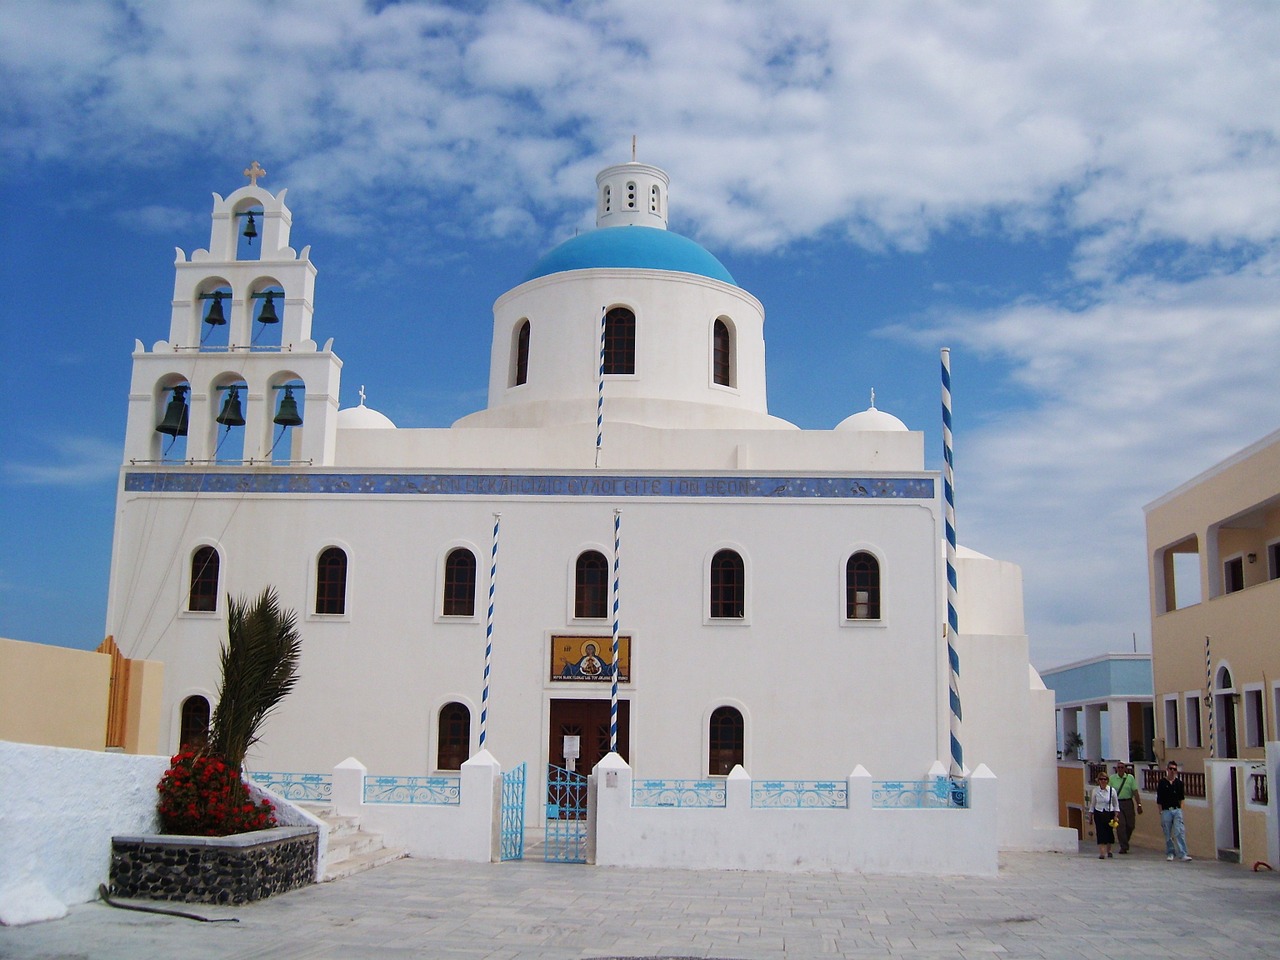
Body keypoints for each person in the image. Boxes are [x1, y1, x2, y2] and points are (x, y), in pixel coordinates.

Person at [1156, 760, 1192, 862]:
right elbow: (1159, 799)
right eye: (1170, 769)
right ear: (1167, 769)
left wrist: (1180, 809)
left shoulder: (1179, 783)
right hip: (1166, 810)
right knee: (1168, 833)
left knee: (1179, 831)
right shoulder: (1162, 783)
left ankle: (1183, 853)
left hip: (1176, 810)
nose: (1172, 771)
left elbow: (1182, 798)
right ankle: (1170, 852)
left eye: (1174, 769)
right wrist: (1161, 811)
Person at [1109, 761, 1142, 854]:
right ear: (1116, 769)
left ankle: (1125, 841)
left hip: (1128, 803)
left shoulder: (1130, 778)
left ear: (1125, 769)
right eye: (1118, 767)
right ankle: (1124, 846)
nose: (1120, 769)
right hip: (1117, 803)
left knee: (1130, 825)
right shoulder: (1112, 778)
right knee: (1121, 825)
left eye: (1122, 767)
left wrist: (1139, 804)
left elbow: (1135, 791)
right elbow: (1109, 793)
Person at [1087, 770, 1120, 859]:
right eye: (1101, 779)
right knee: (1100, 832)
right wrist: (1090, 816)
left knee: (1109, 832)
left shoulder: (1111, 791)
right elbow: (1092, 804)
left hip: (1109, 813)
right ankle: (1102, 852)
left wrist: (1116, 815)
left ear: (1107, 780)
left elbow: (1116, 804)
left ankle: (1109, 850)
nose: (1103, 781)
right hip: (1099, 813)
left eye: (1105, 779)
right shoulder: (1095, 791)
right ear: (1098, 780)